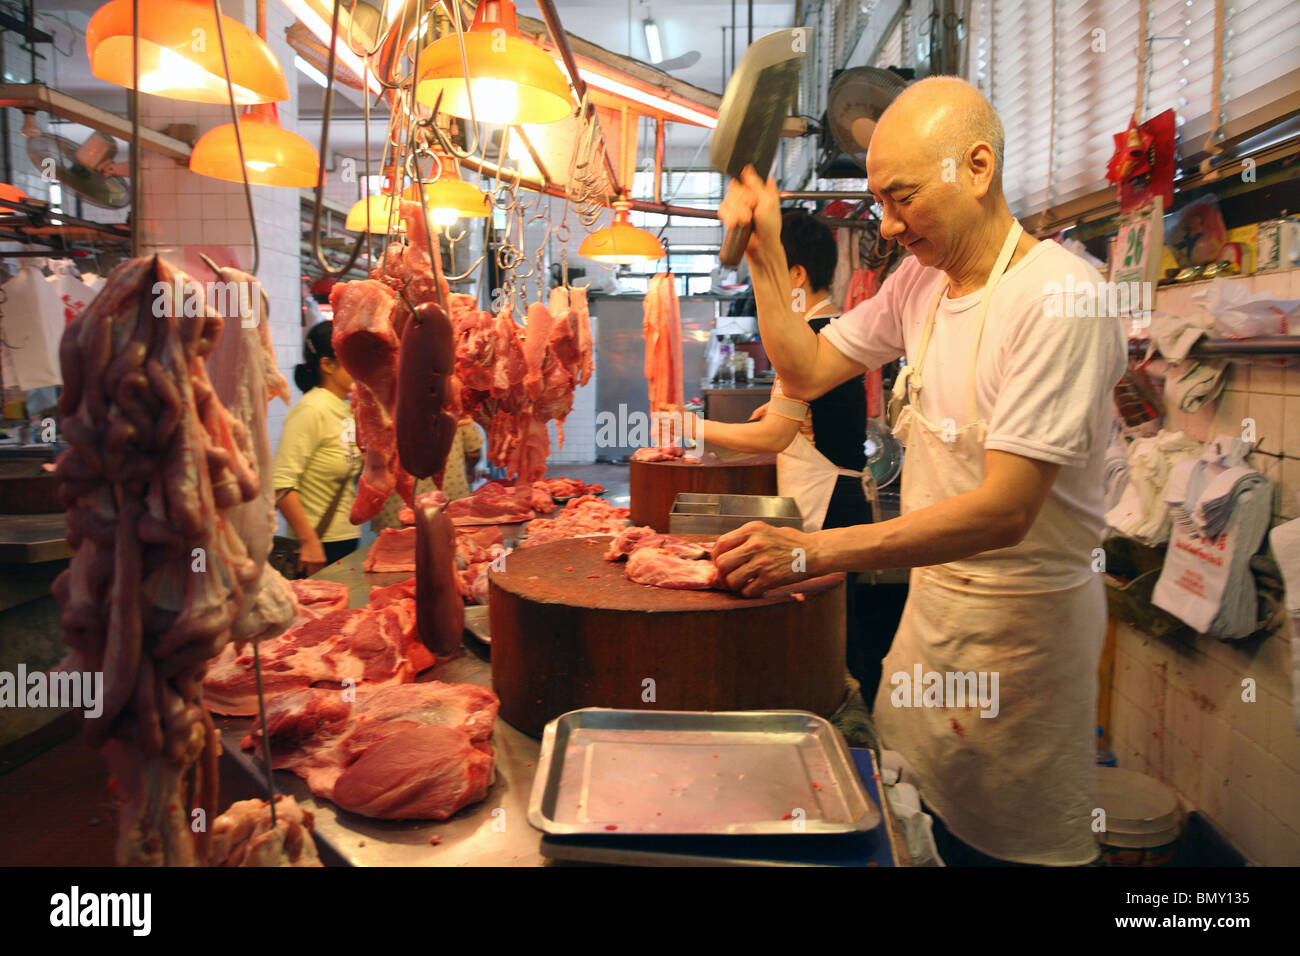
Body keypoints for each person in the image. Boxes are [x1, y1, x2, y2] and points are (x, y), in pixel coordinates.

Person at [713, 75, 1126, 866]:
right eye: (880, 201)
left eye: (902, 198)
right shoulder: (920, 284)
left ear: (977, 168)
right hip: (932, 630)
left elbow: (1006, 509)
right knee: (912, 829)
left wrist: (815, 551)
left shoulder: (1059, 298)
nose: (890, 225)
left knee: (1012, 853)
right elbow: (803, 370)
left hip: (1022, 645)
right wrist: (766, 254)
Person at [272, 321, 360, 576]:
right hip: (316, 547)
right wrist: (309, 541)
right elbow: (281, 483)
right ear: (327, 365)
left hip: (345, 538)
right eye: (350, 359)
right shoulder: (311, 410)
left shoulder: (345, 408)